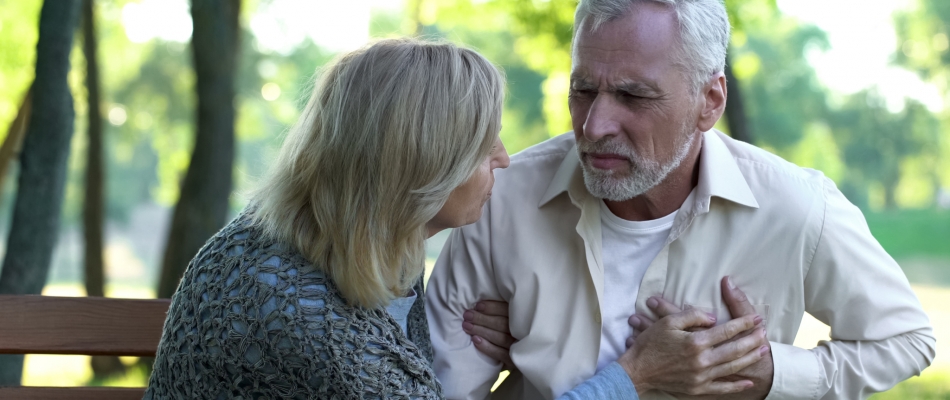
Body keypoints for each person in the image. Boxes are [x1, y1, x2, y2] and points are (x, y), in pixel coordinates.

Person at [143, 38, 767, 399]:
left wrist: (505, 339)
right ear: (418, 168)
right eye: (480, 146)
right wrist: (636, 377)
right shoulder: (300, 315)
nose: (503, 159)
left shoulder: (329, 247)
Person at [426, 0, 937, 399]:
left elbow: (907, 340)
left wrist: (771, 376)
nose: (595, 125)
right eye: (582, 90)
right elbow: (441, 391)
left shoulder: (797, 209)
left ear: (709, 101)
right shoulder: (501, 199)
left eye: (633, 96)